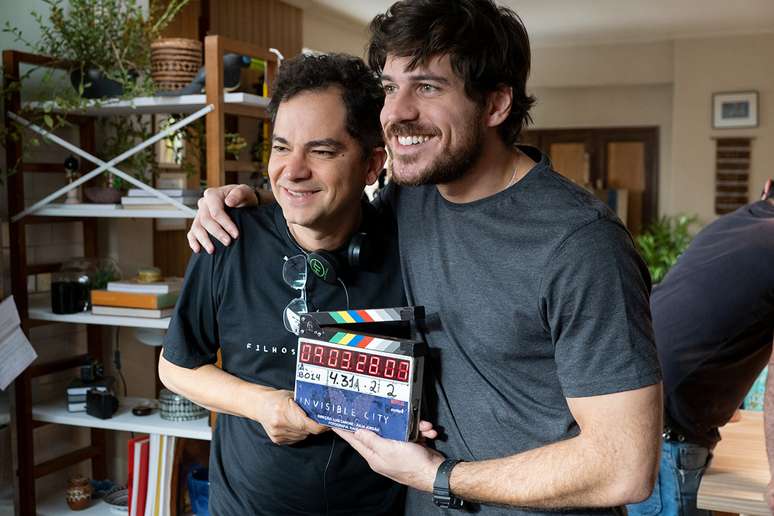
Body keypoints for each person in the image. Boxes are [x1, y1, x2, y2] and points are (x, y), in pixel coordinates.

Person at [187, 1, 663, 514]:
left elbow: (624, 467)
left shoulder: (582, 244)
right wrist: (256, 201)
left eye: (428, 87)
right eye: (390, 88)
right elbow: (333, 201)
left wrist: (439, 476)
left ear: (496, 104)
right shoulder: (412, 196)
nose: (396, 113)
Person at [159, 53, 412, 515]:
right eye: (281, 148)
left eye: (321, 151)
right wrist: (260, 404)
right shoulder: (226, 237)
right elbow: (175, 366)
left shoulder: (410, 251)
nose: (292, 171)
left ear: (372, 164)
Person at [628, 182, 774, 516]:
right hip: (666, 441)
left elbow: (707, 319)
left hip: (636, 409)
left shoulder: (732, 225)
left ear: (766, 189)